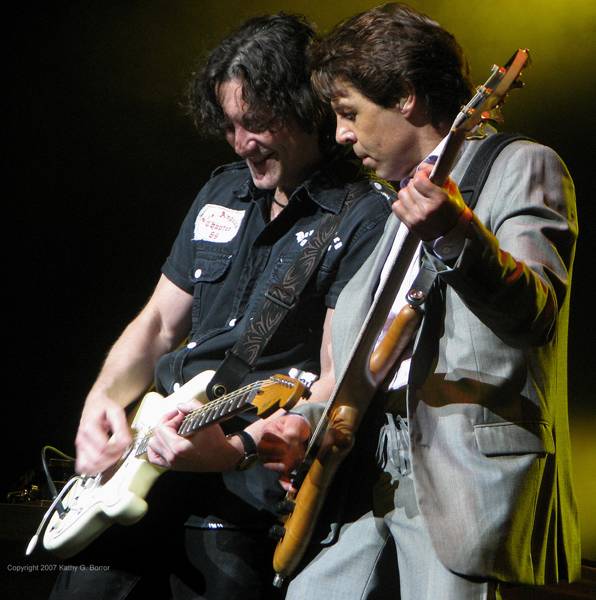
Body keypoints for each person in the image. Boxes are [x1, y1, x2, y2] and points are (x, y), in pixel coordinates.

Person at [47, 13, 391, 600]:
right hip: (138, 467)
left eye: (256, 124)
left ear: (307, 107)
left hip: (237, 503)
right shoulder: (222, 190)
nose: (241, 143)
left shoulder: (361, 216)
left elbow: (333, 379)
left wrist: (236, 448)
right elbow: (158, 323)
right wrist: (101, 398)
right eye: (230, 126)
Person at [262, 3, 581, 599]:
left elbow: (537, 312)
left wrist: (457, 233)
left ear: (406, 96)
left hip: (460, 482)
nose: (340, 135)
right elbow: (366, 363)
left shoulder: (523, 166)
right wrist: (299, 425)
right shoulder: (394, 211)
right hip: (361, 474)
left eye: (349, 113)